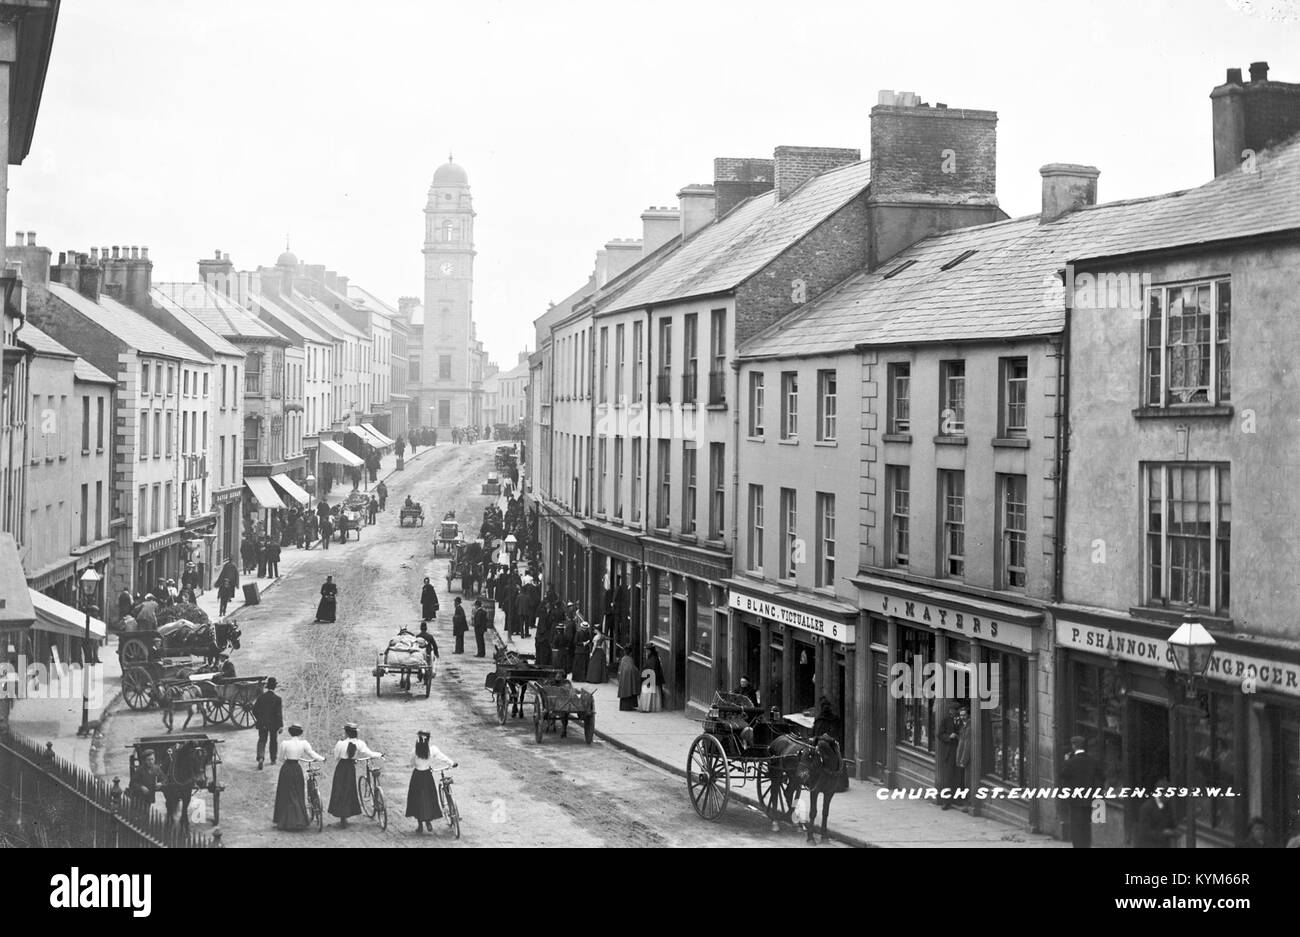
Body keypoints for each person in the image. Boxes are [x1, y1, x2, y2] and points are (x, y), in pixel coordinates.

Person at [328, 722, 382, 827]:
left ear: (346, 733)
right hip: (350, 768)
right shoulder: (360, 743)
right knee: (349, 789)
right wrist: (379, 755)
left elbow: (336, 757)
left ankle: (341, 816)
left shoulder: (340, 743)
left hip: (341, 768)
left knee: (339, 789)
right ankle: (347, 813)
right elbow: (369, 753)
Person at [273, 724, 326, 831]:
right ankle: (298, 819)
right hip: (297, 769)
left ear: (290, 732)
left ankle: (284, 819)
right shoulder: (304, 743)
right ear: (300, 733)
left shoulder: (285, 743)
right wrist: (322, 758)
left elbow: (280, 758)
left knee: (286, 793)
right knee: (297, 793)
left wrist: (288, 762)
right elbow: (312, 754)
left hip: (286, 769)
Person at [407, 731, 456, 833]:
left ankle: (420, 825)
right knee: (429, 797)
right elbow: (443, 757)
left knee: (417, 799)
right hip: (427, 776)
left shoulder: (414, 751)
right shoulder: (432, 750)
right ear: (428, 740)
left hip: (417, 776)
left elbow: (411, 764)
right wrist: (451, 763)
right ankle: (428, 822)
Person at [1058, 735, 1102, 847]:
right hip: (1088, 799)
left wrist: (1066, 761)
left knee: (1076, 825)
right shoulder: (1092, 761)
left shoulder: (1070, 762)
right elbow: (1100, 777)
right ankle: (1086, 845)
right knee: (1086, 824)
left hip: (1075, 800)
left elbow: (1062, 775)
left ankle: (1078, 846)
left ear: (1074, 746)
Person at [1135, 780, 1181, 847]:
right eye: (1167, 794)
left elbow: (1171, 824)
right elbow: (1144, 832)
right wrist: (1163, 833)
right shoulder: (1147, 808)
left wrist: (1175, 832)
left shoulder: (1167, 806)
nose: (1169, 797)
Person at [252, 677, 284, 770]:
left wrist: (259, 718)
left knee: (262, 740)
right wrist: (281, 725)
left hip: (262, 723)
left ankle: (261, 758)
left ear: (267, 686)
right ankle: (273, 759)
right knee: (273, 741)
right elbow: (279, 713)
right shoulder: (278, 699)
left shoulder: (261, 697)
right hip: (273, 724)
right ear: (275, 686)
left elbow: (254, 710)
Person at [936, 701, 961, 810]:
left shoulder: (963, 720)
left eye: (953, 711)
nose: (951, 712)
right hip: (950, 752)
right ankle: (946, 801)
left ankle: (958, 799)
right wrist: (948, 736)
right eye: (950, 710)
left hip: (960, 751)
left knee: (959, 776)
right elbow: (939, 734)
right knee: (948, 777)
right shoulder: (946, 720)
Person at [618, 645, 640, 710]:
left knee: (625, 691)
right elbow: (632, 669)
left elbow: (622, 669)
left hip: (624, 679)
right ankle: (630, 706)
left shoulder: (623, 659)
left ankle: (624, 707)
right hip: (630, 679)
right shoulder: (630, 659)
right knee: (630, 690)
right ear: (631, 653)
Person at [571, 614, 593, 680]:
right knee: (581, 665)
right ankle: (580, 678)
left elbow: (590, 640)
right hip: (580, 651)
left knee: (582, 665)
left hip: (583, 651)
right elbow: (575, 642)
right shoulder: (579, 633)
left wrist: (587, 642)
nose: (585, 629)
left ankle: (582, 678)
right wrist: (583, 643)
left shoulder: (586, 633)